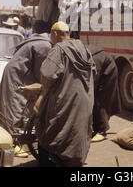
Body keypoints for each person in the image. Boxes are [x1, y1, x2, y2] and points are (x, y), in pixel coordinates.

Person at [35, 21, 96, 167]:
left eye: (51, 35)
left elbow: (47, 74)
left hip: (65, 100)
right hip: (84, 100)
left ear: (55, 33)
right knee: (76, 131)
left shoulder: (59, 49)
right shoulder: (84, 48)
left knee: (49, 130)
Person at [0, 20, 52, 157]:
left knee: (10, 108)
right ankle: (13, 147)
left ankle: (10, 144)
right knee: (14, 111)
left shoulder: (34, 40)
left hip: (14, 74)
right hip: (17, 77)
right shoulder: (44, 44)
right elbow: (42, 72)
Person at [88, 44, 122, 142]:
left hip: (108, 68)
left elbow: (91, 84)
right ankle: (95, 127)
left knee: (100, 99)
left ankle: (101, 131)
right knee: (94, 98)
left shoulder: (91, 60)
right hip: (101, 66)